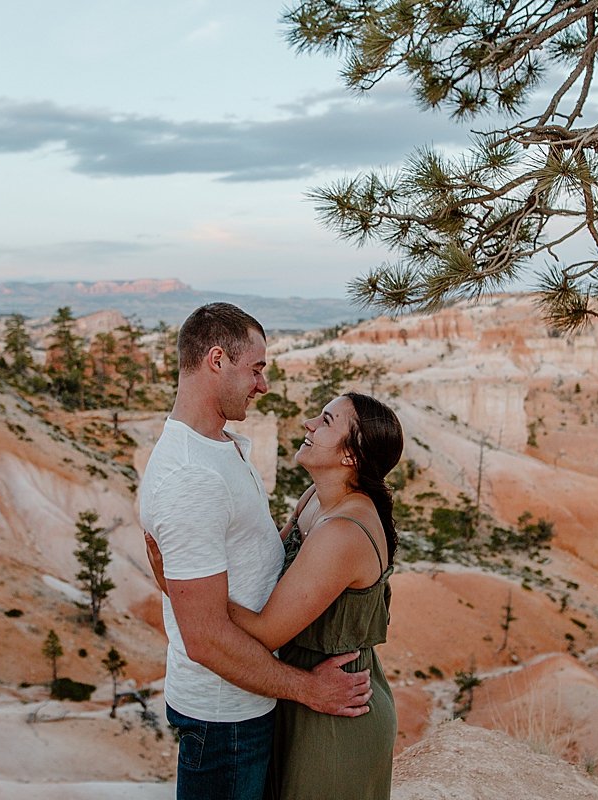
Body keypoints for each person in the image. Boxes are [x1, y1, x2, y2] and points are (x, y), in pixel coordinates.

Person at [138, 303, 373, 800]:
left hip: (248, 702)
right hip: (226, 717)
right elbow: (204, 639)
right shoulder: (190, 476)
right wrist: (309, 689)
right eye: (257, 368)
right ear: (217, 360)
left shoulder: (218, 445)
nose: (263, 384)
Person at [151, 391, 404, 799]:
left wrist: (179, 586)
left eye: (325, 421)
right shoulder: (313, 500)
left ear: (351, 457)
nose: (308, 424)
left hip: (334, 709)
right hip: (296, 692)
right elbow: (267, 566)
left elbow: (267, 632)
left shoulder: (342, 532)